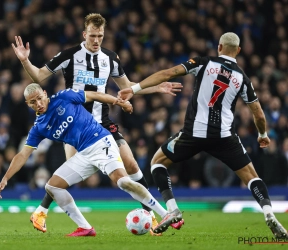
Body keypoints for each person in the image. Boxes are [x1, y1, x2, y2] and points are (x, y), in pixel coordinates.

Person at [11, 13, 183, 235]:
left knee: (130, 164)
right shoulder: (69, 55)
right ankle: (43, 211)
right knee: (66, 175)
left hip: (102, 123)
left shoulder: (110, 58)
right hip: (74, 125)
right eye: (92, 35)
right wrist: (25, 60)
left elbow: (127, 86)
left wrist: (155, 88)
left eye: (100, 36)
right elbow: (39, 75)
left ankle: (150, 214)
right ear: (84, 34)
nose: (96, 40)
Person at [118, 32, 288, 239]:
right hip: (225, 137)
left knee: (157, 163)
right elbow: (259, 113)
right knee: (252, 177)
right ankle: (269, 213)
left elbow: (169, 73)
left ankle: (172, 210)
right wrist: (263, 134)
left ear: (219, 47)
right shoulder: (243, 78)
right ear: (239, 51)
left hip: (193, 134)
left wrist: (133, 89)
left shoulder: (203, 63)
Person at [0, 83, 171, 237]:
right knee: (52, 186)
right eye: (33, 102)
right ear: (28, 104)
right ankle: (85, 228)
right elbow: (23, 154)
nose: (38, 104)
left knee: (123, 181)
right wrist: (6, 177)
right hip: (84, 154)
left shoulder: (63, 97)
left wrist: (118, 101)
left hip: (101, 141)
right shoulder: (39, 127)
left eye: (40, 98)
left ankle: (166, 214)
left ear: (45, 93)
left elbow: (93, 95)